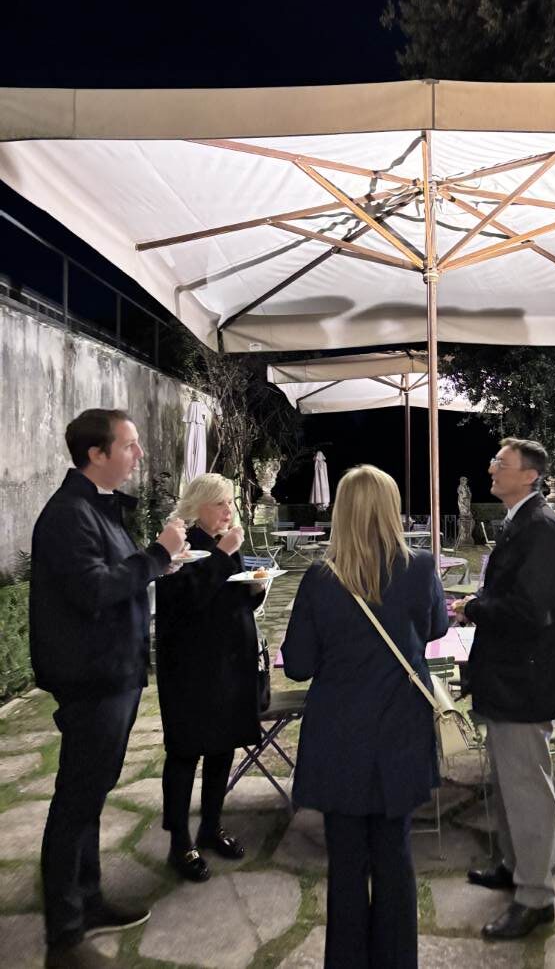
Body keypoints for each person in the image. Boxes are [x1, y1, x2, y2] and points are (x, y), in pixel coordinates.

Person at [29, 409, 187, 969]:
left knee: (92, 795)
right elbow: (94, 590)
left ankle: (88, 898)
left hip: (112, 674)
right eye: (129, 445)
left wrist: (157, 566)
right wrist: (158, 555)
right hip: (91, 678)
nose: (138, 454)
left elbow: (118, 577)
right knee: (76, 802)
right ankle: (64, 937)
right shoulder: (68, 515)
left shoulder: (96, 508)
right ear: (96, 454)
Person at [282, 465, 447, 969]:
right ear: (390, 510)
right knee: (395, 857)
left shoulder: (319, 578)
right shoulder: (420, 567)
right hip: (401, 730)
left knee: (347, 864)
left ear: (341, 513)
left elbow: (298, 664)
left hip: (339, 735)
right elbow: (436, 627)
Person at [454, 437, 555, 941]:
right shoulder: (521, 521)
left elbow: (531, 610)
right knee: (507, 783)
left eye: (500, 464)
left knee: (527, 789)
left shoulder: (541, 527)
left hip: (526, 680)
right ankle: (513, 865)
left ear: (529, 475)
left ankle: (535, 898)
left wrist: (474, 608)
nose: (491, 469)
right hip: (508, 677)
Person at [155, 473, 267, 881]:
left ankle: (211, 826)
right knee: (185, 753)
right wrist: (223, 553)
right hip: (191, 670)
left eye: (230, 503)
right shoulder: (181, 544)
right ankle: (179, 842)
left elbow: (231, 598)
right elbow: (186, 601)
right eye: (220, 503)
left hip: (229, 665)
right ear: (198, 505)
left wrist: (256, 590)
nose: (228, 511)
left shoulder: (225, 543)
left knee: (223, 747)